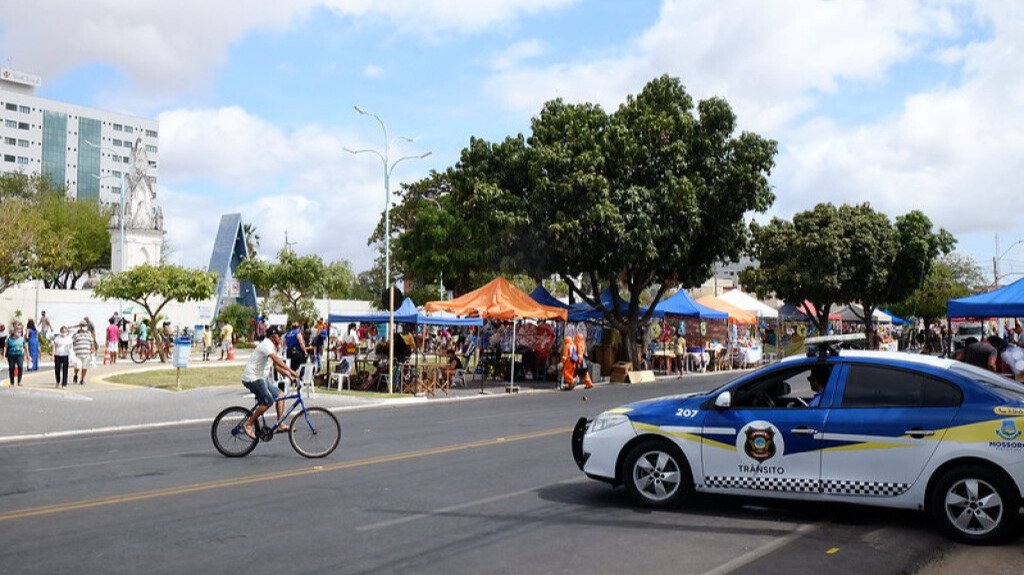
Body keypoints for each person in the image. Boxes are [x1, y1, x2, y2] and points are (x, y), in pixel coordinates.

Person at [240, 326, 298, 440]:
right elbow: (277, 360)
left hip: (261, 377)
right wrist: (292, 371)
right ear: (273, 336)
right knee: (268, 402)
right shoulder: (267, 344)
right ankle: (248, 424)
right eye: (279, 336)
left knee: (280, 395)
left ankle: (280, 424)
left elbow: (276, 366)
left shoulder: (272, 347)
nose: (281, 338)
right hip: (253, 378)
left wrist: (290, 376)